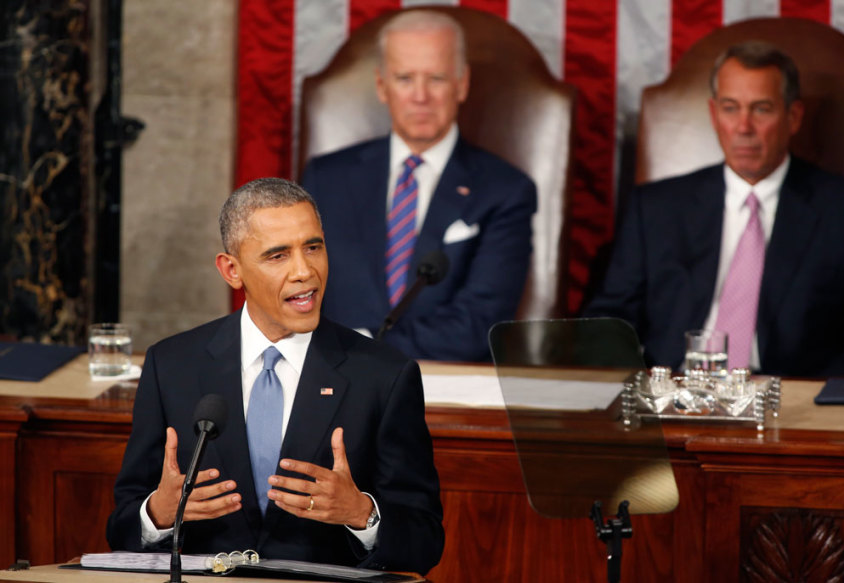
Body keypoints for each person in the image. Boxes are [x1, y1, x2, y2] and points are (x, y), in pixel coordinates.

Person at [106, 178, 444, 574]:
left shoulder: (384, 376)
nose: (305, 271)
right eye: (277, 255)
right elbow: (122, 528)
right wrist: (158, 514)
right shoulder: (172, 365)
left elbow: (425, 542)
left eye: (313, 247)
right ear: (232, 270)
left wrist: (362, 514)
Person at [585, 41, 844, 377]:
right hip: (673, 395)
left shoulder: (840, 210)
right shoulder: (656, 208)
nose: (743, 127)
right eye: (730, 108)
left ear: (793, 116)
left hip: (789, 401)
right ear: (713, 114)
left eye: (761, 109)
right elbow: (609, 322)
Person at [300, 9, 537, 362]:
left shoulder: (505, 190)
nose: (420, 96)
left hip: (445, 390)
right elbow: (292, 292)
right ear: (382, 86)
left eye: (437, 78)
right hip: (331, 385)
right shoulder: (326, 177)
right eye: (405, 78)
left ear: (462, 83)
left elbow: (480, 324)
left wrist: (362, 346)